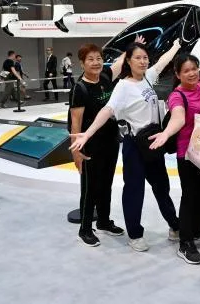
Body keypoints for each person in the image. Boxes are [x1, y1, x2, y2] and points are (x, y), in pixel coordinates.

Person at [70, 39, 182, 253]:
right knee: (134, 190)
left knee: (162, 187)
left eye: (145, 57)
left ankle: (175, 226)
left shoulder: (148, 77)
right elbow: (107, 110)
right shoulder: (122, 86)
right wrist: (87, 133)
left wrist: (177, 46)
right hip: (135, 145)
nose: (143, 61)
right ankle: (135, 234)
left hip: (154, 142)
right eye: (137, 58)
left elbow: (162, 62)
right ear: (128, 62)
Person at [149, 54, 200, 265]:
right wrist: (166, 133)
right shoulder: (176, 96)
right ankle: (185, 242)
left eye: (194, 68)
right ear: (177, 74)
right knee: (190, 197)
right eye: (186, 71)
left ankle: (198, 230)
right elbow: (178, 118)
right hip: (187, 154)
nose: (192, 73)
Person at [69, 43, 126, 247]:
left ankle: (103, 221)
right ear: (82, 63)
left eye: (99, 58)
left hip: (110, 141)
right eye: (90, 59)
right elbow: (75, 123)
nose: (96, 63)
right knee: (90, 188)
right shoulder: (80, 88)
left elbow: (120, 62)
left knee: (106, 184)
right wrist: (76, 152)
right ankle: (85, 229)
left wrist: (133, 47)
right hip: (90, 146)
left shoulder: (105, 77)